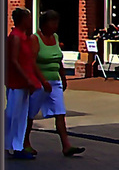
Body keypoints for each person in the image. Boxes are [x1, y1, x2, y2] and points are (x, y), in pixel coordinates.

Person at [26, 10, 83, 159]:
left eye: (57, 22)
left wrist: (63, 78)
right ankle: (25, 142)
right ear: (44, 24)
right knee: (31, 113)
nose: (55, 26)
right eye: (53, 22)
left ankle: (66, 145)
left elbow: (59, 59)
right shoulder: (35, 38)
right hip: (40, 82)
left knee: (60, 112)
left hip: (55, 80)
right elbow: (32, 62)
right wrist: (42, 81)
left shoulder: (55, 37)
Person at [6, 8, 43, 159]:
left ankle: (17, 144)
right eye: (28, 18)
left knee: (21, 114)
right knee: (14, 114)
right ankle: (14, 146)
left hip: (24, 81)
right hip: (17, 82)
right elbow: (14, 60)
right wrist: (27, 79)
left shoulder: (24, 37)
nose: (30, 21)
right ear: (22, 20)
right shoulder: (16, 37)